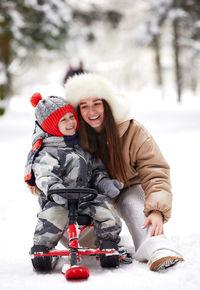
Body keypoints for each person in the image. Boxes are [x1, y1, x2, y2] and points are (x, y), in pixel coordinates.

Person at [64, 73, 184, 271]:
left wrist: (156, 210)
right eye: (84, 106)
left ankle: (157, 247)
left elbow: (155, 170)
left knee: (131, 203)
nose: (91, 111)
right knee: (63, 223)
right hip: (92, 194)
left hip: (127, 188)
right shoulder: (72, 134)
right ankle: (109, 244)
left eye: (97, 103)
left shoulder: (132, 130)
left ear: (108, 105)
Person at [25, 93, 123, 272]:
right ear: (51, 125)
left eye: (72, 117)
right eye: (63, 120)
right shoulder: (47, 152)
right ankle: (42, 247)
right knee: (52, 218)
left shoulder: (82, 146)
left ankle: (108, 243)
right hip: (59, 199)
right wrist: (56, 190)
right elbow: (45, 176)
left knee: (106, 209)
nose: (71, 123)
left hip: (87, 197)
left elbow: (95, 171)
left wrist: (104, 183)